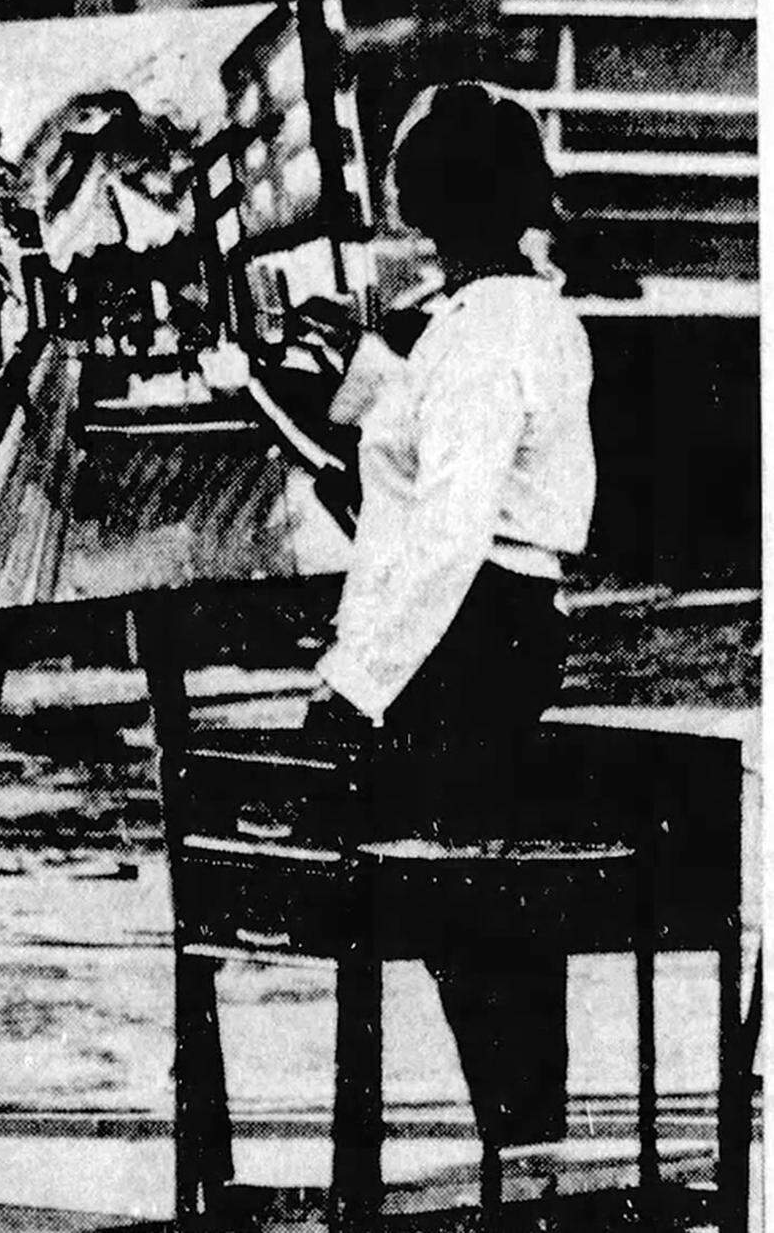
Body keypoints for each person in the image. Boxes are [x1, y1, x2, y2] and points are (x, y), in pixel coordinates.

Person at [306, 79, 596, 1153]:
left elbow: (448, 534)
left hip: (471, 631)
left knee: (472, 916)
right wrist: (365, 370)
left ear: (434, 206)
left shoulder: (482, 334)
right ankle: (525, 1157)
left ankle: (523, 1162)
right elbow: (427, 447)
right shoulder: (504, 311)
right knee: (482, 912)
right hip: (496, 627)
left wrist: (353, 683)